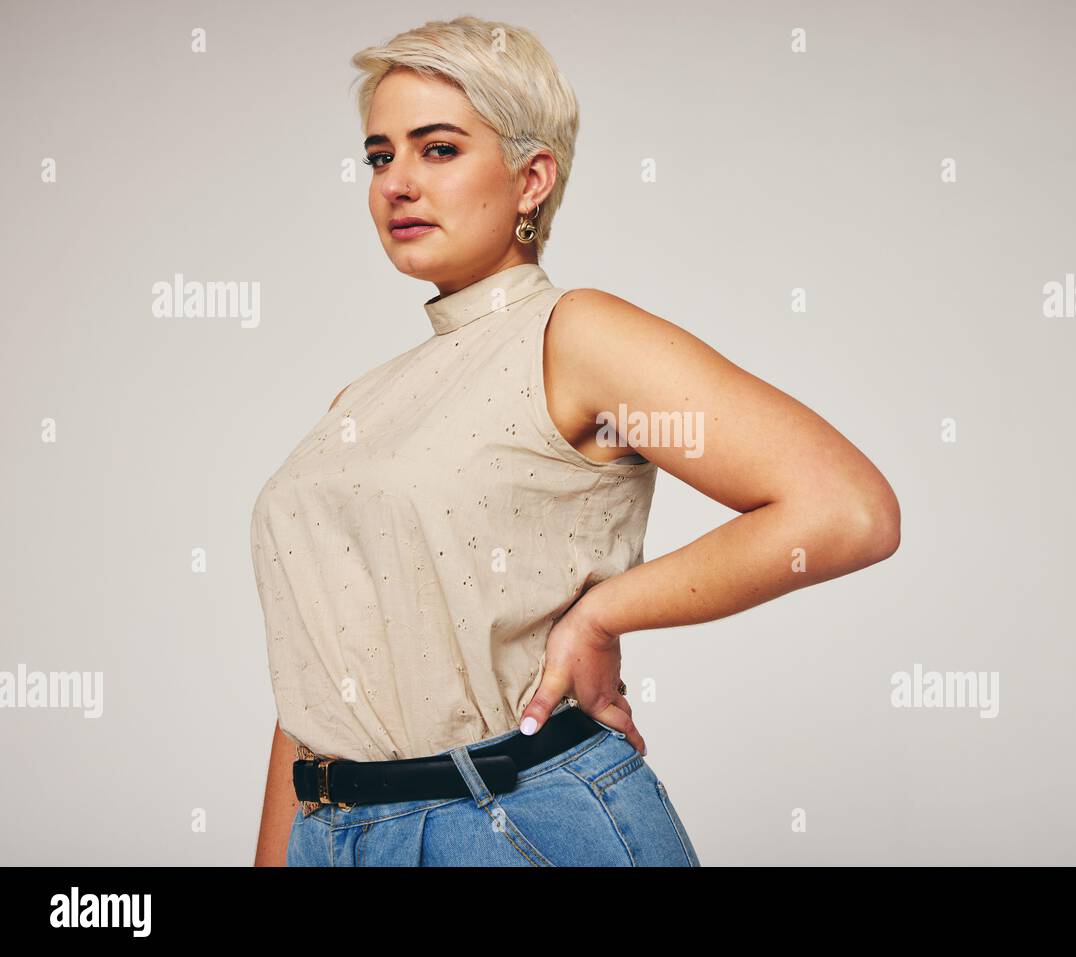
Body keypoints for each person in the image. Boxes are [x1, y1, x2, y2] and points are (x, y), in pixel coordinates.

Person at [251, 14, 900, 867]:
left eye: (437, 149)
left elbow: (847, 511)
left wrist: (603, 612)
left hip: (513, 819)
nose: (397, 183)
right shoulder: (355, 402)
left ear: (532, 179)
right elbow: (314, 687)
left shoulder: (570, 335)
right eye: (380, 156)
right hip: (332, 832)